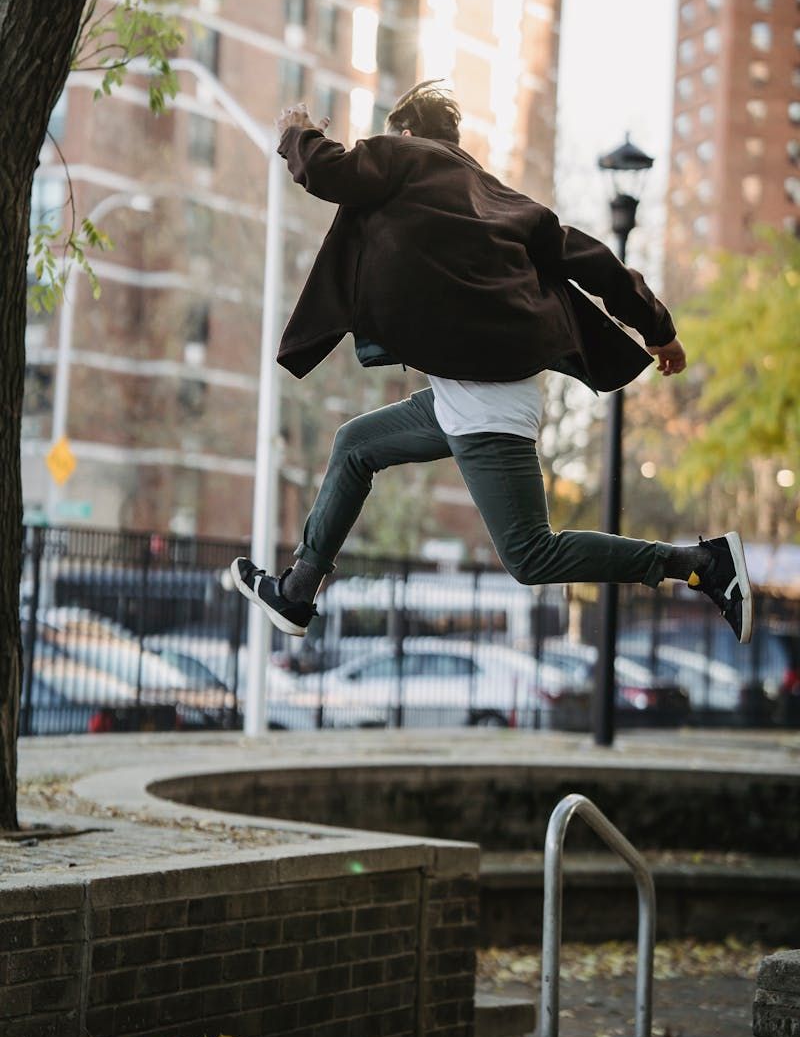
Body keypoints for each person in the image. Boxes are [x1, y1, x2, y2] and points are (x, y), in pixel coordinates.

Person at [231, 80, 752, 645]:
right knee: (355, 445)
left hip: (484, 395)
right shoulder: (502, 199)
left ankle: (702, 563)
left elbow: (328, 171)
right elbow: (595, 260)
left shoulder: (405, 155)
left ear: (404, 133)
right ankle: (297, 590)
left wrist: (296, 131)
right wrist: (659, 328)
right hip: (470, 389)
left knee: (530, 554)